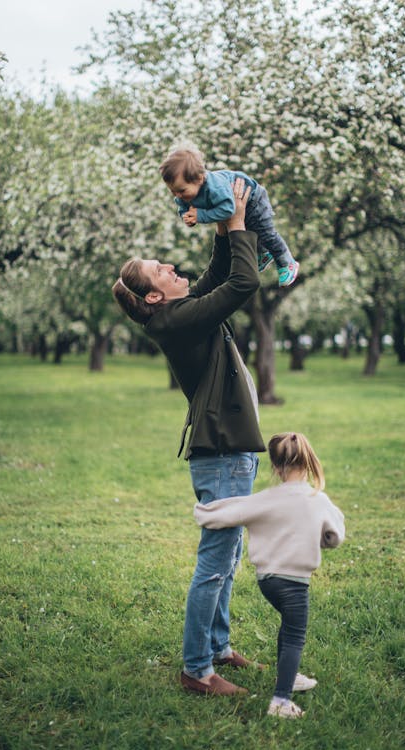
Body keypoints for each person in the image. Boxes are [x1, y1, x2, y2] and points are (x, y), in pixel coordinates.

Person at [112, 179, 266, 698]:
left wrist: (224, 218)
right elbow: (243, 283)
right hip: (221, 456)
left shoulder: (181, 312)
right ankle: (197, 669)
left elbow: (221, 272)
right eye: (163, 271)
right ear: (155, 295)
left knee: (227, 556)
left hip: (231, 453)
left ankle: (218, 648)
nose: (174, 269)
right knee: (215, 562)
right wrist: (240, 226)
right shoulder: (176, 322)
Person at [194, 431, 345, 718]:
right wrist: (322, 537)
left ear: (275, 467)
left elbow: (226, 513)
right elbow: (335, 536)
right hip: (295, 584)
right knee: (294, 636)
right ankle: (280, 701)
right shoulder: (318, 499)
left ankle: (289, 675)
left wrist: (202, 511)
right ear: (309, 461)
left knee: (288, 629)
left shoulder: (265, 499)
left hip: (268, 581)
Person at [159, 145, 300, 288]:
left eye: (181, 191)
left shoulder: (216, 188)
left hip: (253, 199)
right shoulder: (184, 193)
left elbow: (228, 210)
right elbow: (183, 207)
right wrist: (187, 217)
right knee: (250, 232)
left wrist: (200, 215)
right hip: (236, 204)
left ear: (200, 179)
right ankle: (264, 253)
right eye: (173, 191)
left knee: (265, 233)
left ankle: (286, 262)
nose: (177, 196)